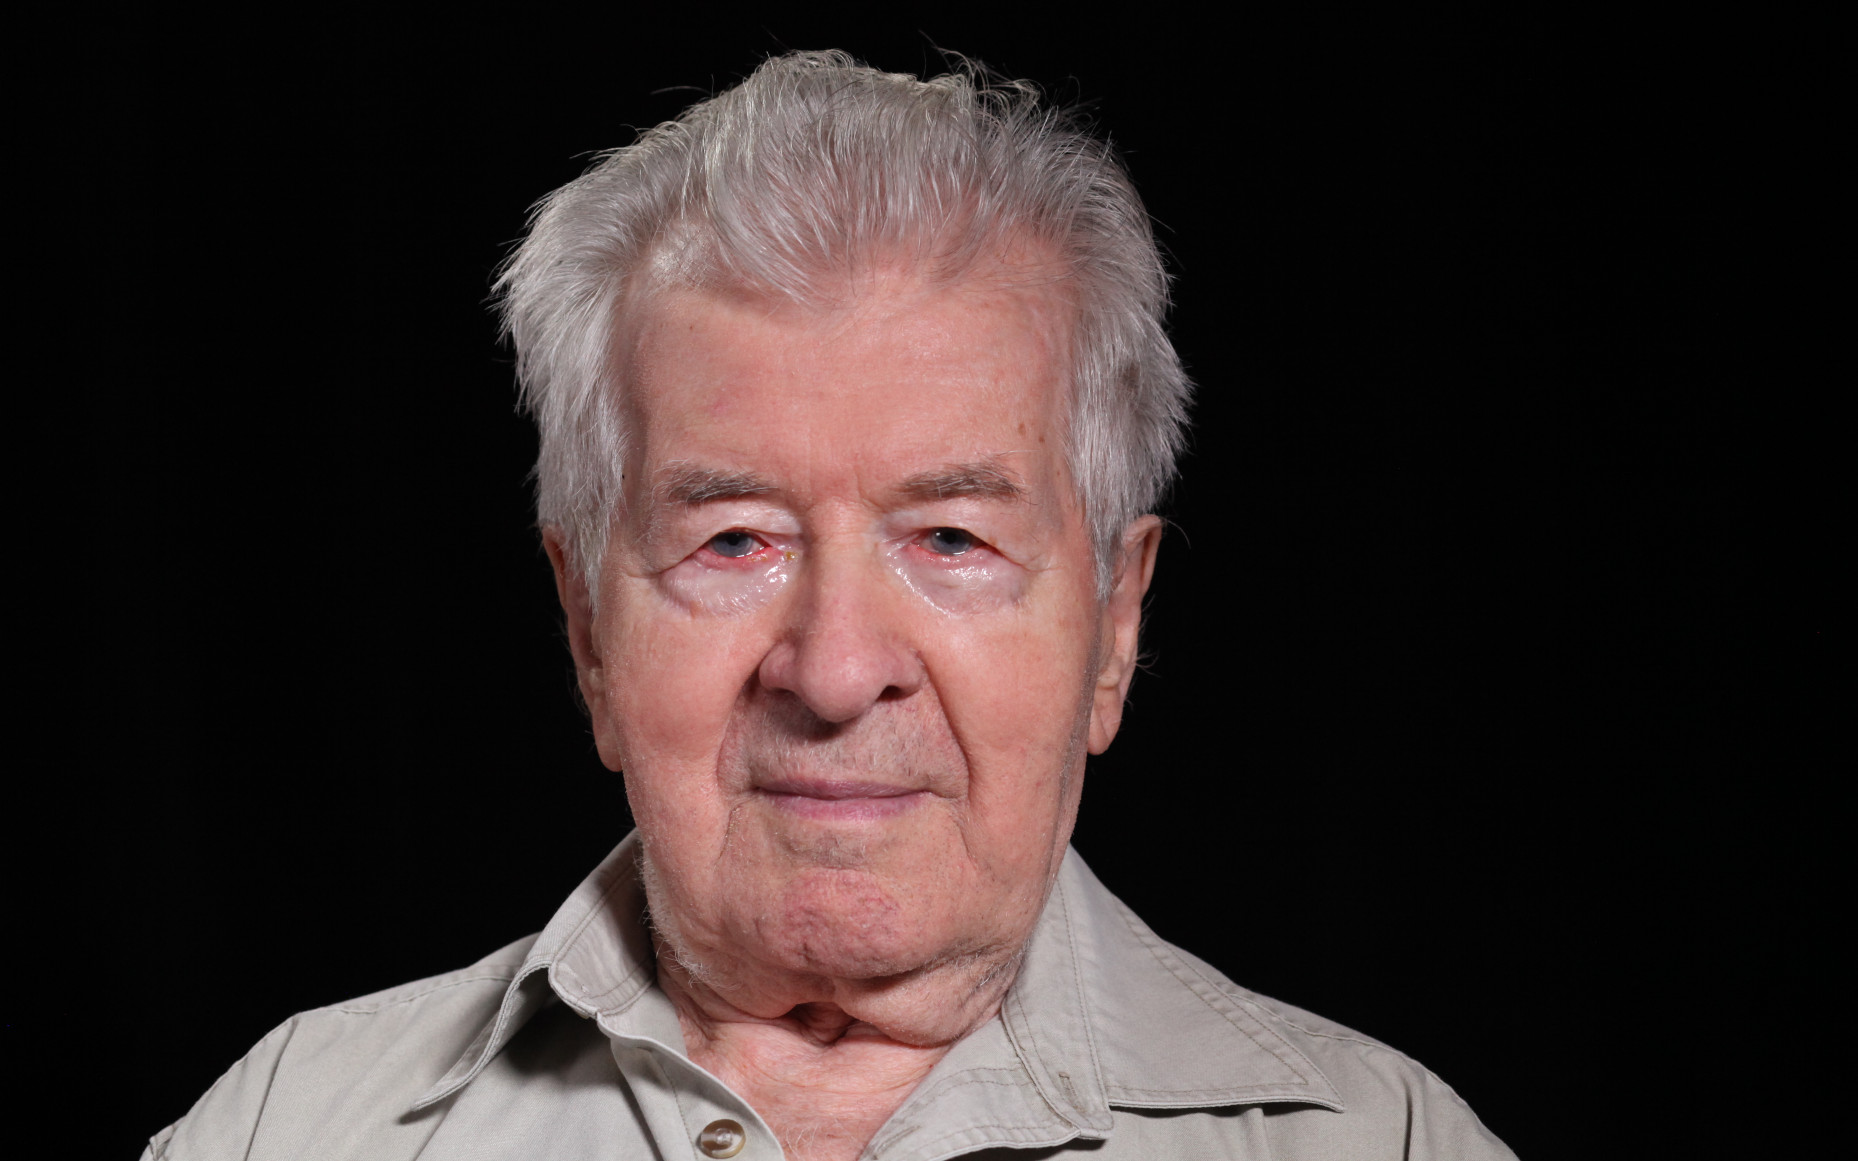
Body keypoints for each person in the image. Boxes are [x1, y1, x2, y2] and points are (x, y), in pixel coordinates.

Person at [144, 51, 1516, 1161]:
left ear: (1113, 628)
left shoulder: (1389, 1145)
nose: (837, 668)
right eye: (734, 540)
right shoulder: (283, 1132)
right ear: (588, 635)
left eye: (951, 538)